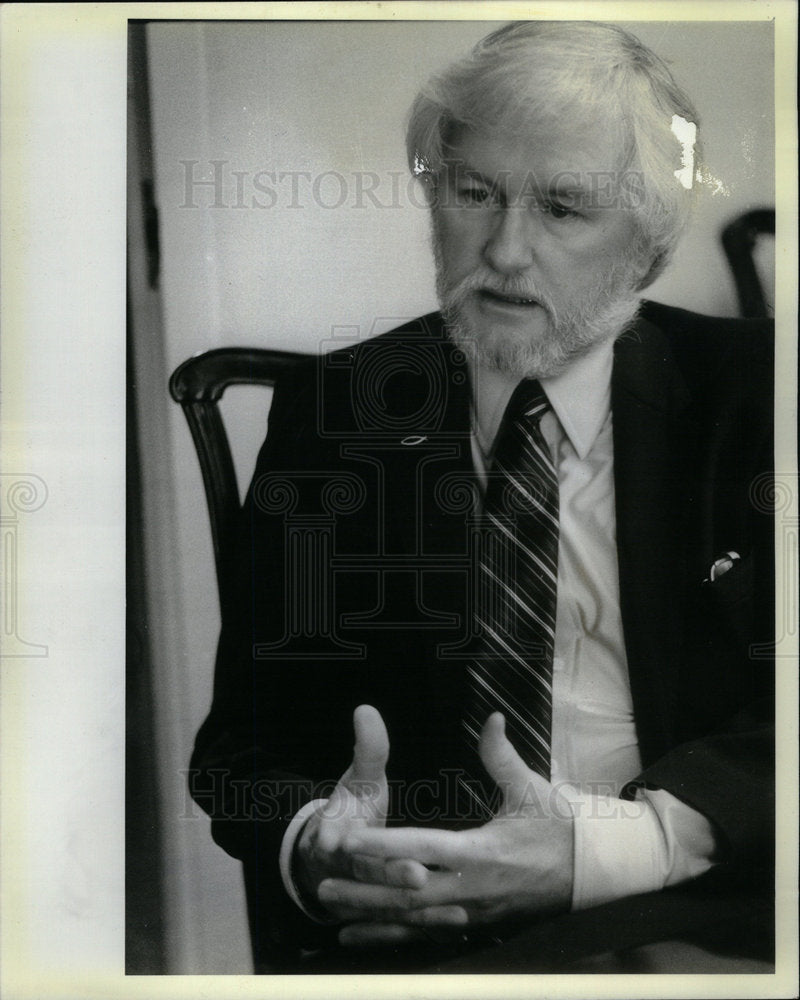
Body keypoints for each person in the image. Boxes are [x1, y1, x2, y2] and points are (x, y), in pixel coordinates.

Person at [189, 21, 774, 972]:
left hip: (705, 905)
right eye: (475, 193)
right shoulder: (341, 418)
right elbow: (248, 743)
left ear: (648, 244)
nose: (504, 251)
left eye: (563, 209)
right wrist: (317, 843)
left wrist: (610, 851)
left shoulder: (758, 396)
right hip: (432, 922)